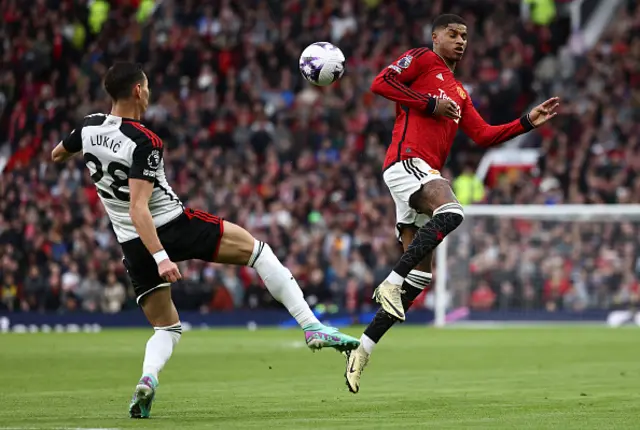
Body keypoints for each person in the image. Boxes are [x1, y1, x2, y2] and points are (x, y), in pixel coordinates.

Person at [51, 62, 360, 418]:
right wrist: (162, 257)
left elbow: (58, 153)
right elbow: (139, 207)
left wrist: (92, 161)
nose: (149, 93)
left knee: (166, 327)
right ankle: (311, 327)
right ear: (138, 90)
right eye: (147, 86)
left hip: (130, 244)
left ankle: (147, 379)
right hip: (170, 226)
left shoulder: (89, 126)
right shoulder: (145, 141)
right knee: (259, 252)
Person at [344, 14, 560, 393]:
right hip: (407, 162)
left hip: (420, 174)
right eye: (453, 34)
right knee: (452, 211)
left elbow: (484, 135)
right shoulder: (423, 60)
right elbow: (381, 82)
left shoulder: (459, 92)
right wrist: (429, 104)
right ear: (435, 37)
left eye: (464, 36)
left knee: (422, 278)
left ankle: (362, 349)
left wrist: (527, 120)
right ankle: (389, 283)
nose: (460, 41)